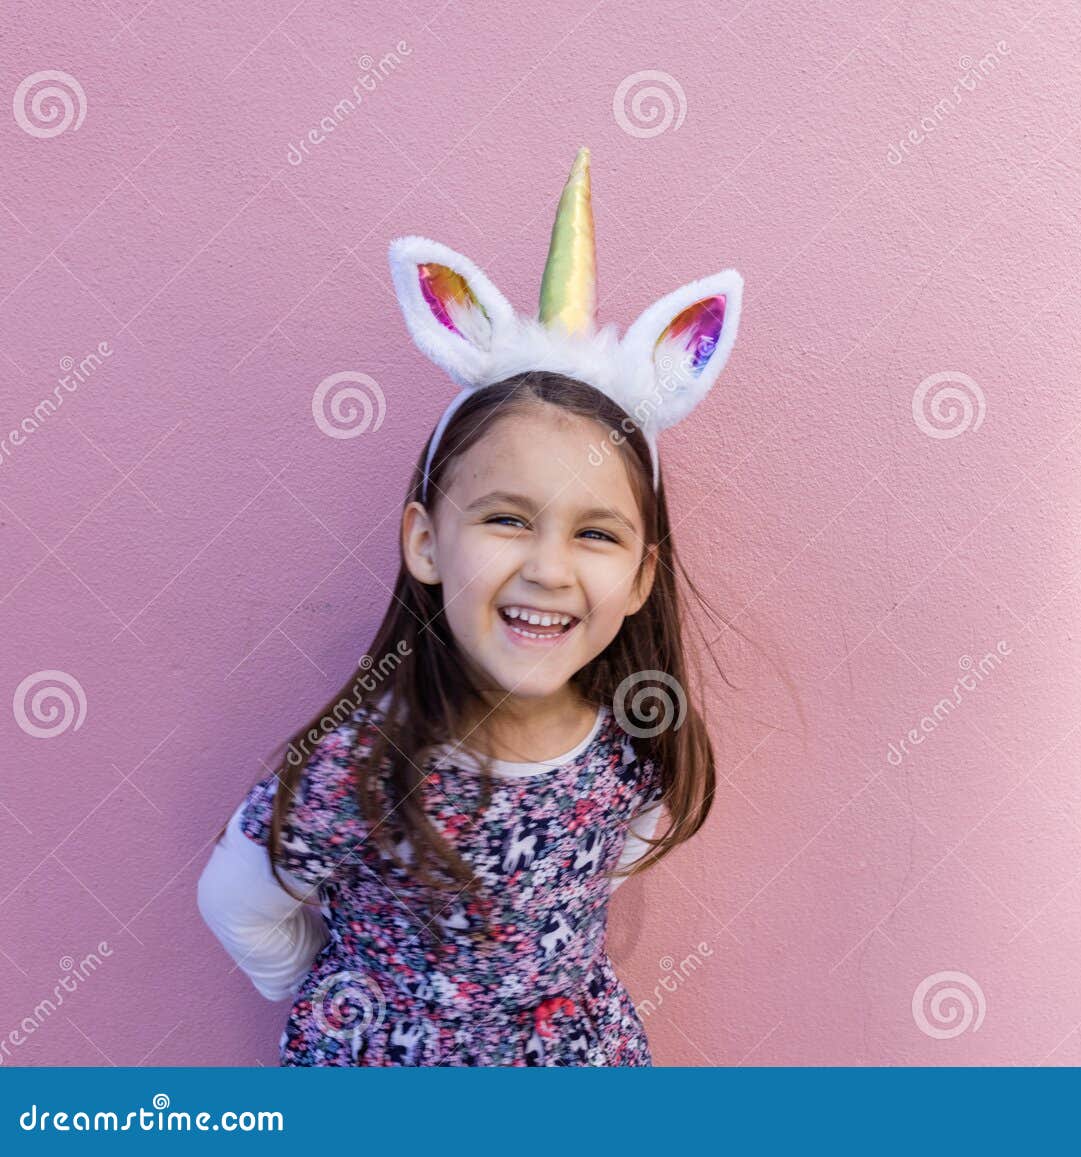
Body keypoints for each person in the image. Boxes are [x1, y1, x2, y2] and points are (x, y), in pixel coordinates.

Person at [196, 147, 744, 1065]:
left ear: (643, 577)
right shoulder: (357, 761)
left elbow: (621, 853)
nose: (547, 567)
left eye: (596, 535)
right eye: (507, 519)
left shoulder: (634, 743)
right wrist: (344, 994)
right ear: (424, 541)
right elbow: (239, 903)